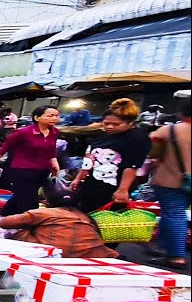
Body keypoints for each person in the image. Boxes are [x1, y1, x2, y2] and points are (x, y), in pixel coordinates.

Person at [69, 98, 150, 214]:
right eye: (106, 123)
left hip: (112, 187)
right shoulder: (102, 134)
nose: (110, 127)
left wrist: (122, 190)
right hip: (91, 184)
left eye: (116, 124)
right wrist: (78, 178)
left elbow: (131, 166)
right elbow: (90, 159)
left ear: (130, 123)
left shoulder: (136, 138)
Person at [0, 105, 61, 216]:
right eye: (50, 116)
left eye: (57, 116)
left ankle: (3, 218)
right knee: (29, 200)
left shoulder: (55, 132)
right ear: (37, 118)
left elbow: (51, 149)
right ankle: (28, 222)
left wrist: (54, 162)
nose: (55, 118)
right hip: (22, 170)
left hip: (43, 171)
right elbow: (3, 149)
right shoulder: (23, 133)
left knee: (20, 196)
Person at [0, 189, 119, 259]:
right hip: (91, 256)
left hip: (56, 255)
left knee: (16, 230)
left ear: (48, 203)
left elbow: (4, 222)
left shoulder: (44, 212)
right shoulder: (86, 217)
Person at [146, 96, 190, 268]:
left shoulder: (168, 131)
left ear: (181, 113)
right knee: (173, 214)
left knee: (174, 214)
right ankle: (164, 247)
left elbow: (152, 154)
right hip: (174, 182)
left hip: (172, 181)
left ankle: (176, 256)